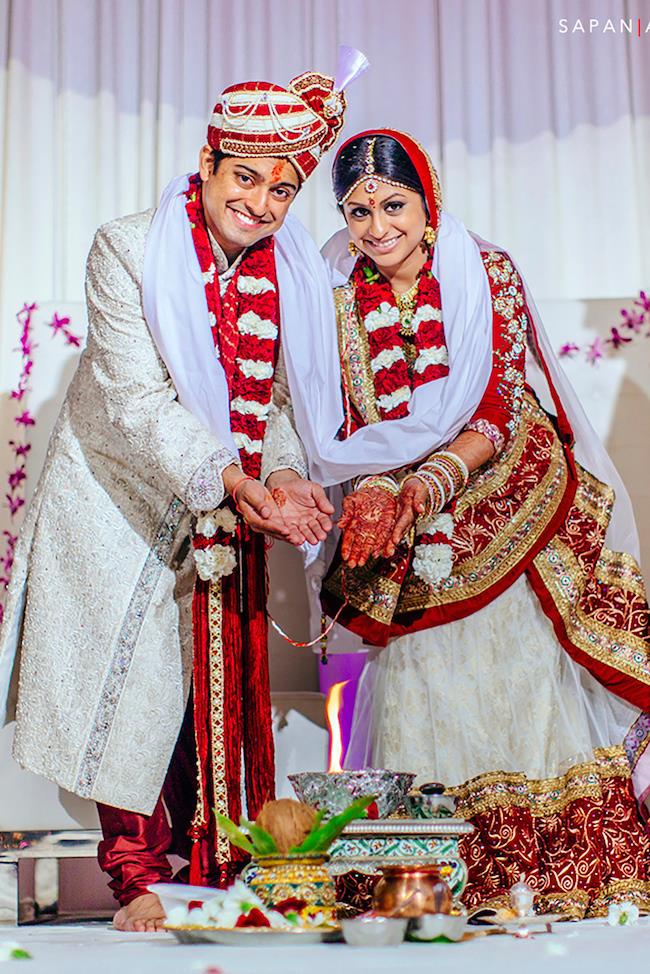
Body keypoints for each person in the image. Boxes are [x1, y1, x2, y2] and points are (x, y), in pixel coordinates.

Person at [0, 51, 368, 931]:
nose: (261, 204)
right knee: (124, 683)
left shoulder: (289, 273)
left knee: (211, 680)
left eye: (282, 191)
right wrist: (238, 480)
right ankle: (137, 877)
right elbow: (136, 400)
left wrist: (281, 475)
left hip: (222, 501)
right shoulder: (127, 246)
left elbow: (274, 401)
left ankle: (225, 862)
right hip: (116, 494)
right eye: (244, 178)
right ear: (206, 163)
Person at [305, 129, 650, 917]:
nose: (376, 226)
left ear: (429, 206)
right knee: (427, 687)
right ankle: (437, 880)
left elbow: (495, 402)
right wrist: (375, 488)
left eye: (394, 204)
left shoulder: (483, 270)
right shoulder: (330, 290)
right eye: (357, 210)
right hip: (404, 524)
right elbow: (339, 415)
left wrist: (427, 483)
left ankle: (546, 878)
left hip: (505, 504)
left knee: (521, 680)